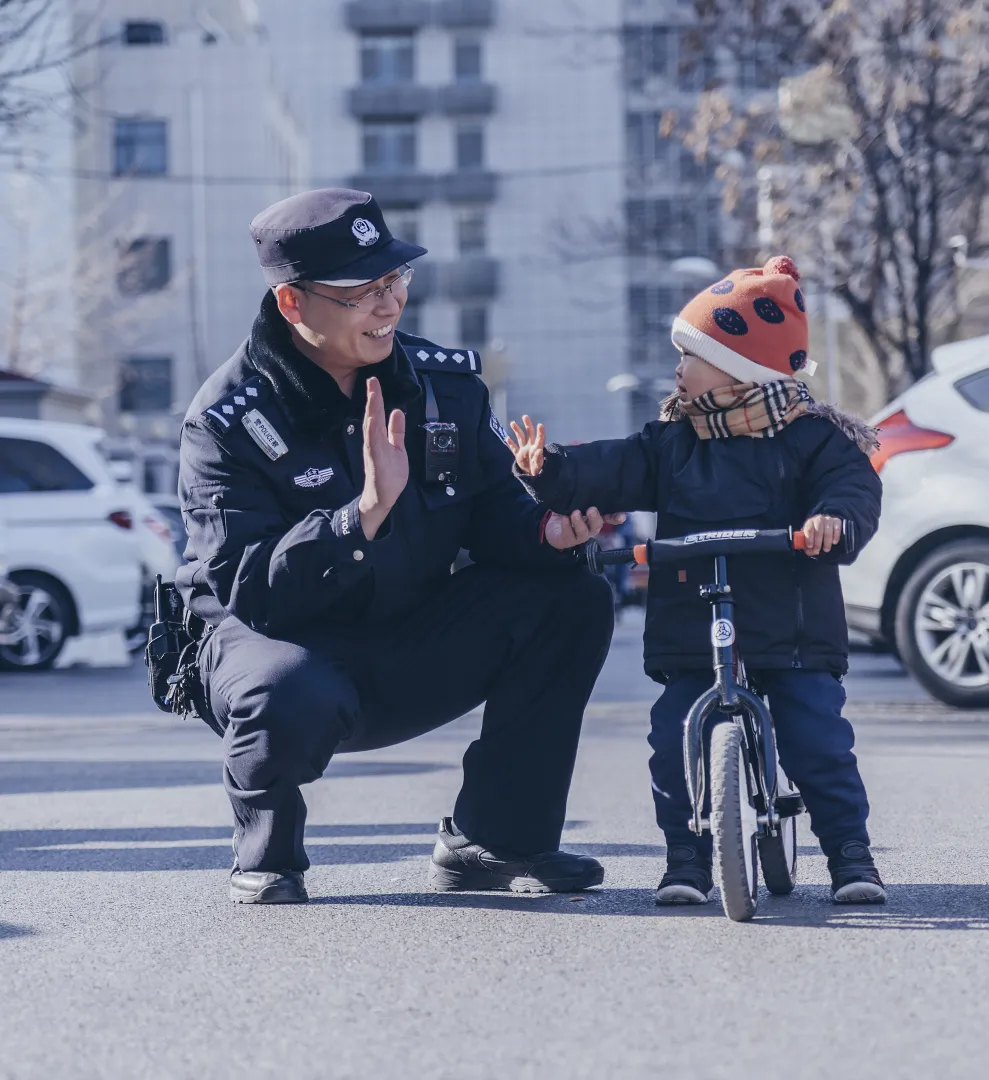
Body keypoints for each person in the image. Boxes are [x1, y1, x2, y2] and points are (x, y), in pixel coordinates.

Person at [176, 188, 621, 903]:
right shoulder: (227, 420)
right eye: (362, 291)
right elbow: (249, 590)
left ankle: (496, 840)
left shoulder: (443, 387)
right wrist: (362, 515)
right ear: (294, 304)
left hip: (408, 639)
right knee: (283, 688)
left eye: (395, 281)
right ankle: (268, 852)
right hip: (285, 651)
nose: (390, 306)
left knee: (573, 597)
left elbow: (494, 513)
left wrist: (550, 531)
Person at [507, 255, 887, 906]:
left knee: (817, 739)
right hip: (696, 628)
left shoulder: (813, 440)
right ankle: (686, 859)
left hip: (790, 628)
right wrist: (550, 472)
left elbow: (852, 488)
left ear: (741, 365)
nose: (678, 368)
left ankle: (850, 855)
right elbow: (611, 469)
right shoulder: (673, 443)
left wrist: (831, 521)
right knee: (672, 740)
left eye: (693, 353)